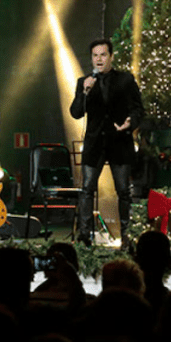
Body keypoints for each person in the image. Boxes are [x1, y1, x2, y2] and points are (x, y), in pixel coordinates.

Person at [70, 37, 144, 244]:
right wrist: (84, 92)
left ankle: (127, 236)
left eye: (103, 55)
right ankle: (85, 236)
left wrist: (130, 123)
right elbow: (76, 112)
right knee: (87, 189)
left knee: (123, 191)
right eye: (95, 56)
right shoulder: (84, 82)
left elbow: (138, 109)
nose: (99, 59)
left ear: (111, 56)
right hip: (94, 143)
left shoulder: (125, 80)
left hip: (119, 141)